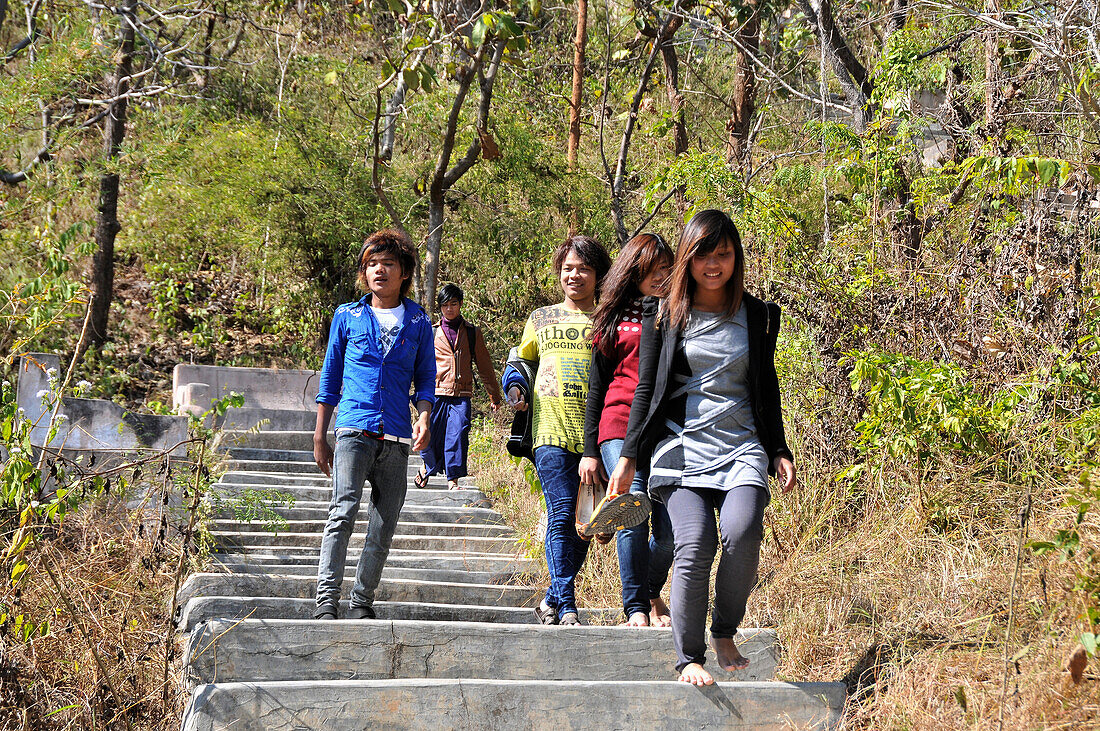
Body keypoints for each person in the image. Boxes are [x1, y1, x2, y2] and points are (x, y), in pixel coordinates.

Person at [607, 209, 797, 685]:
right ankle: (689, 656)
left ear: (736, 257)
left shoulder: (757, 316)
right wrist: (628, 457)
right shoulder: (665, 314)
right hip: (679, 446)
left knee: (743, 529)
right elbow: (646, 390)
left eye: (724, 254)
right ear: (687, 258)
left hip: (741, 446)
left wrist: (779, 447)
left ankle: (725, 629)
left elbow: (765, 386)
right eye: (703, 254)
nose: (714, 264)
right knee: (694, 543)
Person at [312, 229, 436, 620]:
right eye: (371, 264)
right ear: (364, 273)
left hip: (397, 437)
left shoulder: (418, 320)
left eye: (388, 264)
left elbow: (426, 376)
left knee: (383, 526)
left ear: (404, 274)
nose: (379, 270)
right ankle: (326, 600)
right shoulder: (346, 316)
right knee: (342, 513)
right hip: (353, 430)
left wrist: (426, 416)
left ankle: (362, 601)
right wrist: (319, 435)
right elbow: (330, 376)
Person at [502, 235, 612, 626]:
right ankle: (567, 605)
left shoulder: (608, 319)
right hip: (548, 430)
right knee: (563, 512)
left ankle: (551, 597)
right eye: (567, 268)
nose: (574, 275)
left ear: (597, 274)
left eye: (583, 268)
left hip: (595, 437)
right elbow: (518, 362)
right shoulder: (541, 317)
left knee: (587, 522)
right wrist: (513, 388)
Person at [580, 232, 675, 628]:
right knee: (632, 507)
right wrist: (589, 450)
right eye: (651, 270)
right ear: (632, 271)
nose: (659, 277)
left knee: (671, 529)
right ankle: (635, 605)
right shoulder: (614, 318)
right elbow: (597, 386)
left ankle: (652, 589)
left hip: (667, 429)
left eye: (666, 269)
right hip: (617, 423)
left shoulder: (676, 314)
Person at [414, 283, 502, 490]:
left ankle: (452, 479)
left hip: (462, 393)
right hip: (435, 392)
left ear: (461, 304)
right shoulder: (431, 332)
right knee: (430, 435)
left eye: (454, 304)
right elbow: (419, 363)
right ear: (440, 308)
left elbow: (485, 366)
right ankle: (427, 466)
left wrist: (494, 396)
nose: (449, 309)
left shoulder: (472, 333)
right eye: (445, 305)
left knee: (458, 432)